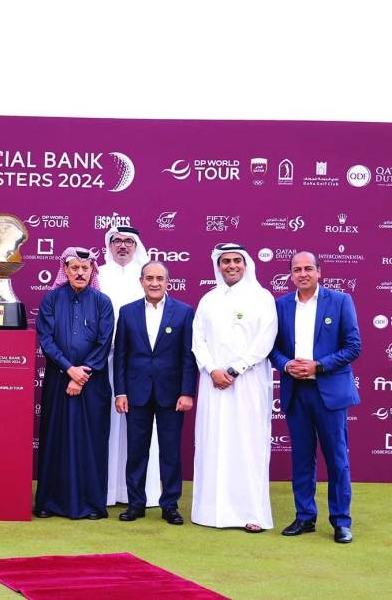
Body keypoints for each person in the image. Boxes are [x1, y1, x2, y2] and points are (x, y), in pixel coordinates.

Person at [270, 251, 361, 544]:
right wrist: (286, 364)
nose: (303, 273)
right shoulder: (281, 305)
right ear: (291, 275)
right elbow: (271, 347)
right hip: (296, 393)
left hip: (329, 392)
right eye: (297, 269)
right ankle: (305, 517)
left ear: (319, 272)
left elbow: (353, 346)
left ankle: (341, 521)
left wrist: (318, 366)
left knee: (337, 459)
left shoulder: (341, 300)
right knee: (302, 459)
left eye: (309, 268)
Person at [191, 243, 277, 532]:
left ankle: (251, 514)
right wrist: (213, 369)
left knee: (247, 444)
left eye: (236, 261)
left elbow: (266, 339)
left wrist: (235, 368)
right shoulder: (209, 299)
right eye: (225, 261)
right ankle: (211, 512)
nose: (231, 266)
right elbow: (198, 339)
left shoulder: (262, 297)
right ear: (218, 266)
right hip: (212, 382)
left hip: (248, 383)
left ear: (246, 264)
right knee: (213, 442)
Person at [34, 247, 114, 520]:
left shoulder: (102, 302)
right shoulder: (51, 299)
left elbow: (104, 342)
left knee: (90, 442)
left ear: (92, 271)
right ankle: (49, 502)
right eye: (74, 268)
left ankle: (92, 504)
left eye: (85, 268)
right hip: (59, 380)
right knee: (56, 439)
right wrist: (69, 369)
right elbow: (46, 339)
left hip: (93, 384)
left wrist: (82, 375)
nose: (80, 273)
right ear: (65, 270)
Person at [113, 261, 196, 525]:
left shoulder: (184, 312)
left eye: (160, 278)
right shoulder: (127, 313)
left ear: (168, 282)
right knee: (137, 451)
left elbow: (187, 357)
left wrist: (186, 392)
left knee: (170, 451)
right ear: (141, 281)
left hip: (171, 395)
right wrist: (120, 391)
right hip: (136, 393)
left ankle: (170, 505)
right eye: (149, 278)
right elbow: (121, 356)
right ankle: (136, 503)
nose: (154, 283)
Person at [99, 224, 162, 508]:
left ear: (136, 246)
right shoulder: (98, 274)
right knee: (108, 427)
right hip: (105, 362)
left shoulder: (147, 278)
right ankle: (107, 491)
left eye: (128, 242)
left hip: (141, 367)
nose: (122, 246)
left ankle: (139, 493)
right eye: (117, 241)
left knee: (141, 428)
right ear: (109, 246)